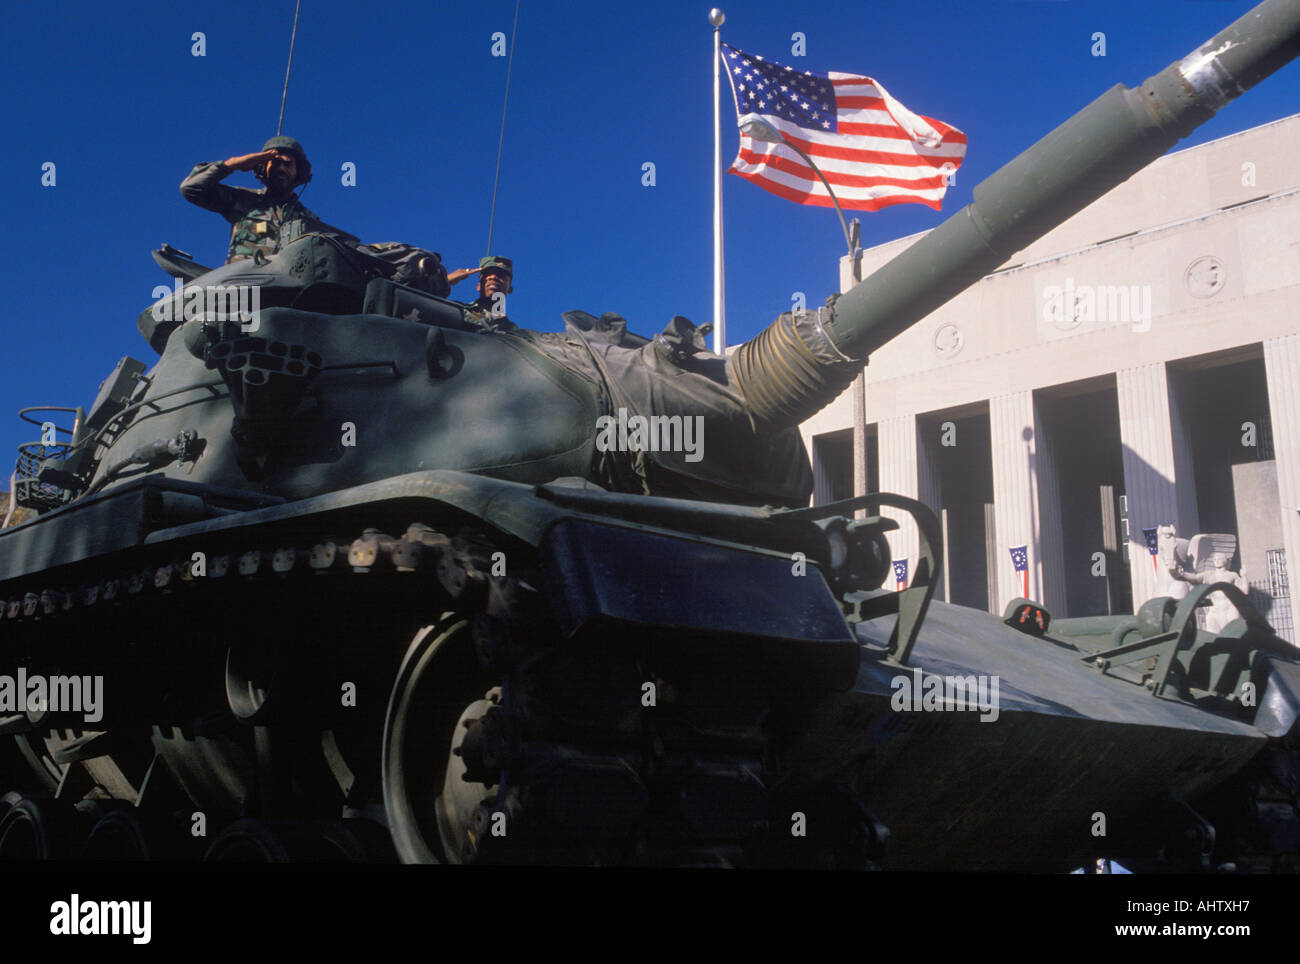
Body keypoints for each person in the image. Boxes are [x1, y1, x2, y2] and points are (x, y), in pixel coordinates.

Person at [180, 136, 450, 296]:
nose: (282, 168)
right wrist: (237, 163)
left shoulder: (309, 220)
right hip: (241, 289)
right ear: (262, 167)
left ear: (299, 173)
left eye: (290, 163)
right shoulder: (244, 201)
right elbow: (192, 188)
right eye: (275, 161)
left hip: (285, 293)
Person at [450, 256, 515, 330]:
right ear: (478, 286)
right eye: (487, 274)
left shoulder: (514, 331)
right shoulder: (458, 311)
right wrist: (446, 280)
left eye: (501, 276)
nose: (493, 277)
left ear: (510, 289)